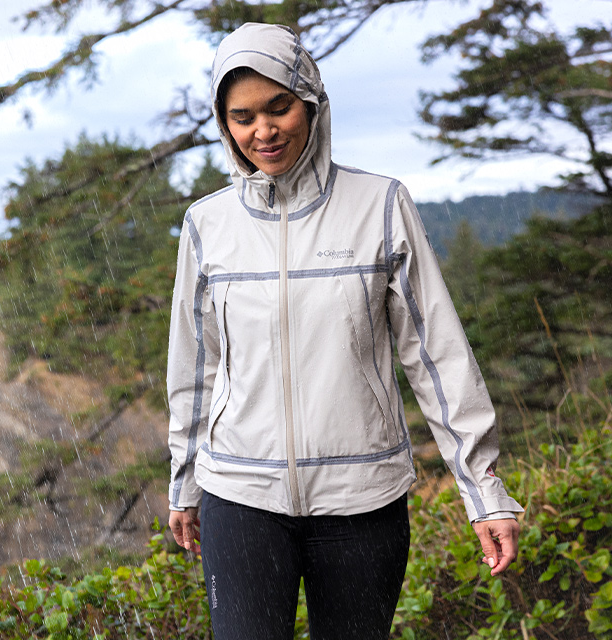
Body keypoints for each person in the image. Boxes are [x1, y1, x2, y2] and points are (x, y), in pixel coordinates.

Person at [167, 22, 523, 640]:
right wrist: (184, 479)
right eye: (242, 116)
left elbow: (436, 356)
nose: (264, 131)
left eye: (279, 106)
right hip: (240, 492)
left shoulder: (381, 205)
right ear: (224, 124)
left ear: (311, 99)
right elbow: (196, 363)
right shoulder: (207, 224)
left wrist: (482, 490)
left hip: (363, 500)